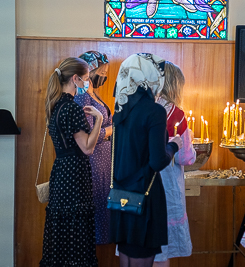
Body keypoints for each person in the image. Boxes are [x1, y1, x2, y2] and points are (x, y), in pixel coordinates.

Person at [110, 53, 183, 267]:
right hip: (145, 192)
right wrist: (174, 145)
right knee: (142, 253)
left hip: (122, 192)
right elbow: (158, 161)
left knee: (126, 251)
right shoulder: (154, 111)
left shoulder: (120, 110)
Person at [41, 57, 103, 266]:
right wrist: (99, 121)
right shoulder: (72, 108)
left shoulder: (56, 106)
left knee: (62, 232)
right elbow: (87, 147)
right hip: (74, 175)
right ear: (75, 79)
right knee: (76, 231)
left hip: (61, 172)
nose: (88, 83)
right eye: (86, 79)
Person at [153, 61, 196, 267]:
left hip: (140, 181)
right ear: (174, 85)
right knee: (163, 248)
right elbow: (185, 157)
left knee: (143, 248)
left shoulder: (142, 107)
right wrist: (191, 145)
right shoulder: (176, 115)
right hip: (166, 183)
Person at [74, 51, 112, 245]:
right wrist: (110, 130)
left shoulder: (93, 94)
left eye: (106, 73)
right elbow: (88, 136)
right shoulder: (82, 97)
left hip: (104, 160)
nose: (103, 76)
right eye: (101, 72)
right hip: (94, 160)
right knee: (95, 209)